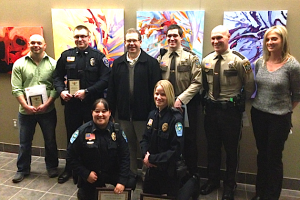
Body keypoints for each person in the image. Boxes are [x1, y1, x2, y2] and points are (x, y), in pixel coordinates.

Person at [200, 25, 255, 200]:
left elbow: (250, 87)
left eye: (219, 38)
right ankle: (213, 180)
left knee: (232, 151)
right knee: (212, 148)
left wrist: (237, 102)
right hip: (211, 110)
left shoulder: (240, 61)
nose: (216, 41)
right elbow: (204, 84)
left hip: (230, 113)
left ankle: (230, 185)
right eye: (213, 38)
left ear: (228, 37)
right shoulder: (206, 60)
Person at [53, 25, 111, 184]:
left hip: (92, 106)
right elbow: (56, 77)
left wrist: (88, 91)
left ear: (89, 37)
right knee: (72, 137)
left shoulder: (98, 57)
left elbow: (106, 80)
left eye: (83, 36)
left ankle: (92, 168)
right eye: (77, 36)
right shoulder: (66, 56)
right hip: (72, 105)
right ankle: (70, 168)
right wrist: (61, 91)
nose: (80, 39)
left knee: (94, 136)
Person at [250, 25, 300, 200]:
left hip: (279, 119)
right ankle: (260, 192)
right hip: (258, 114)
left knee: (274, 158)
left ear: (282, 40)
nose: (270, 42)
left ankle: (271, 196)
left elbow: (297, 95)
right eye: (268, 39)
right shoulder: (260, 62)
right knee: (261, 155)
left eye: (274, 39)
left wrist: (282, 110)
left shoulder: (292, 65)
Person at [107, 28, 161, 175]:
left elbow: (156, 91)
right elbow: (111, 89)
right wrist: (110, 111)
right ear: (125, 43)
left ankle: (146, 175)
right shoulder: (117, 64)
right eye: (128, 41)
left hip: (144, 116)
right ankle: (130, 174)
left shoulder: (151, 63)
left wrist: (154, 113)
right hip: (123, 115)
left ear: (140, 42)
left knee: (146, 146)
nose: (131, 43)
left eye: (134, 40)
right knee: (127, 146)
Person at [11, 34, 59, 183]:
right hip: (26, 112)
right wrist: (26, 106)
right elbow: (16, 88)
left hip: (48, 111)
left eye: (39, 43)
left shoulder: (53, 64)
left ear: (44, 45)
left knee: (50, 140)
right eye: (33, 42)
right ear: (29, 45)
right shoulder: (19, 64)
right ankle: (22, 169)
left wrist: (47, 104)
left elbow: (56, 87)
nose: (36, 45)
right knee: (24, 142)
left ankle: (52, 167)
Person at [67, 98, 136, 200]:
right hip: (92, 174)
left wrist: (121, 181)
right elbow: (70, 156)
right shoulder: (83, 132)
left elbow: (125, 157)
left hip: (112, 171)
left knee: (129, 182)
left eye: (104, 111)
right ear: (92, 113)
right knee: (84, 196)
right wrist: (85, 174)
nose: (100, 114)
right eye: (97, 111)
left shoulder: (117, 132)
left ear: (109, 113)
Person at [157, 24, 202, 176]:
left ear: (181, 38)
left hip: (186, 106)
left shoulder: (191, 58)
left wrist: (181, 99)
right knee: (166, 138)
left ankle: (192, 175)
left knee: (188, 141)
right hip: (166, 105)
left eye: (175, 36)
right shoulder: (160, 58)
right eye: (169, 36)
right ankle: (168, 174)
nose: (171, 39)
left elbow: (197, 82)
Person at [140, 80, 184, 197]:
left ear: (169, 95)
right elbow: (144, 139)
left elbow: (176, 150)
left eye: (163, 94)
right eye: (157, 93)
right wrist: (146, 156)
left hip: (168, 172)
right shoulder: (152, 115)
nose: (158, 97)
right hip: (151, 170)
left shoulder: (175, 119)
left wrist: (153, 159)